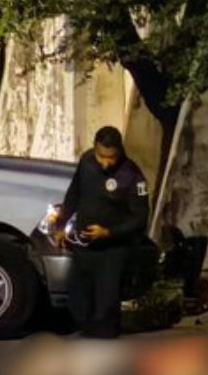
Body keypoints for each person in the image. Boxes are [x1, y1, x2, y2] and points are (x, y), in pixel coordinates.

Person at [51, 126, 156, 338]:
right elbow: (74, 194)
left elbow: (139, 218)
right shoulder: (87, 162)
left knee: (106, 306)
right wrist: (61, 225)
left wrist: (108, 232)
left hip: (112, 249)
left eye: (111, 158)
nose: (105, 163)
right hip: (84, 245)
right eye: (102, 157)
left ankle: (106, 340)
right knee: (78, 299)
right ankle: (86, 334)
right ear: (95, 148)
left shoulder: (131, 175)